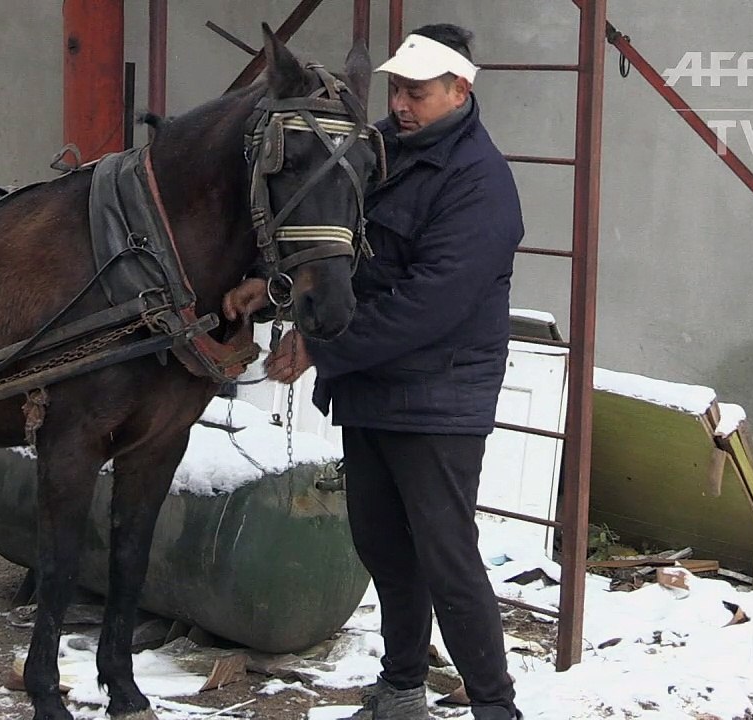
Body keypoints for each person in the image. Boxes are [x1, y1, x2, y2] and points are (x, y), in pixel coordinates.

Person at [222, 22, 525, 720]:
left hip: (439, 399)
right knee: (385, 550)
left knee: (447, 560)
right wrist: (276, 292)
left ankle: (495, 707)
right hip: (371, 389)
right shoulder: (376, 152)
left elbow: (431, 303)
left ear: (460, 89)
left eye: (417, 93)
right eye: (396, 91)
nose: (400, 105)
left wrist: (321, 349)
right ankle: (401, 689)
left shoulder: (479, 181)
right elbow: (339, 258)